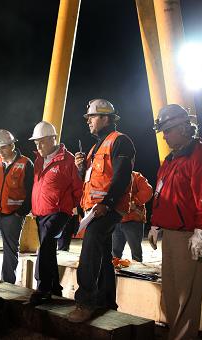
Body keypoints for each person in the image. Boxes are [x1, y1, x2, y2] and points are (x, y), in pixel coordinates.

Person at [149, 104, 202, 340]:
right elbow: (163, 195)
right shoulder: (171, 159)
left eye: (168, 130)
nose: (165, 136)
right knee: (171, 293)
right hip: (172, 234)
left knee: (184, 296)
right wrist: (156, 223)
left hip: (189, 235)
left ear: (183, 127)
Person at [68, 99, 135, 323]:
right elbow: (88, 179)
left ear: (106, 118)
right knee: (104, 255)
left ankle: (85, 302)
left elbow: (121, 176)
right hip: (95, 209)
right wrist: (80, 168)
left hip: (107, 208)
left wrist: (107, 203)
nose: (88, 121)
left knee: (89, 251)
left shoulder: (120, 141)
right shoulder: (96, 147)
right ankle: (107, 302)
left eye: (92, 117)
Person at [28, 121, 83, 304]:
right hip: (40, 213)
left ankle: (42, 287)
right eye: (36, 143)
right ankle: (55, 288)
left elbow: (78, 188)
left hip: (59, 212)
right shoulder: (38, 161)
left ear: (53, 139)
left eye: (42, 142)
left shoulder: (67, 161)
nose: (38, 146)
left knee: (45, 244)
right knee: (49, 248)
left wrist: (73, 208)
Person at [0, 129, 33, 284]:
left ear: (12, 145)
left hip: (13, 215)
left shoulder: (26, 163)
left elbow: (31, 191)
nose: (0, 151)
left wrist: (21, 212)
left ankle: (8, 284)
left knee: (10, 251)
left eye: (3, 147)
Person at [112, 171, 153, 262]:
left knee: (135, 252)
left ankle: (137, 273)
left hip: (133, 221)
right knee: (115, 252)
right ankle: (113, 273)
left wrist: (135, 201)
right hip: (116, 220)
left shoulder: (136, 176)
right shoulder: (112, 175)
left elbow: (148, 191)